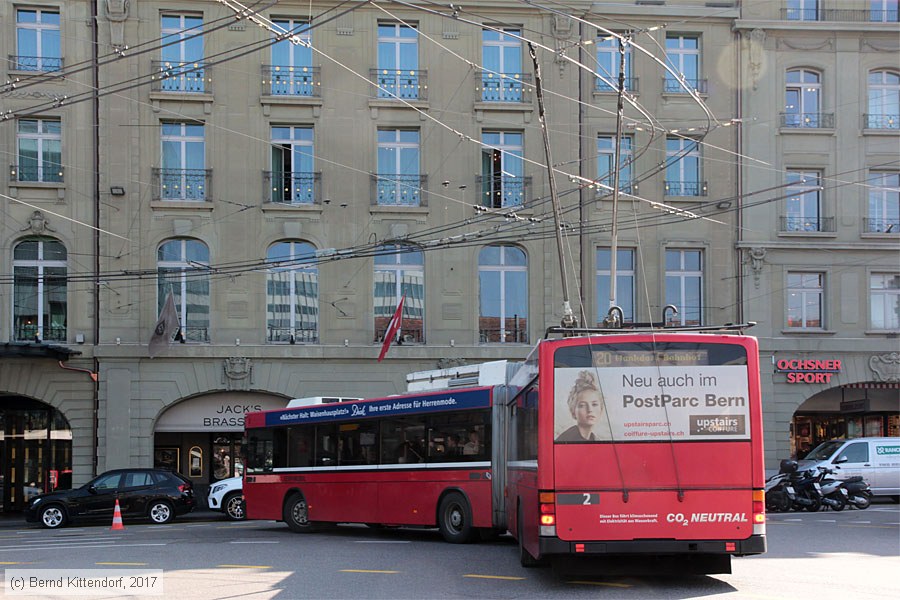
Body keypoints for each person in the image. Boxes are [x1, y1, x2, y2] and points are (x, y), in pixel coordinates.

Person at [556, 370, 605, 442]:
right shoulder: (566, 439)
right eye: (582, 405)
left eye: (594, 404)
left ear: (601, 409)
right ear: (573, 411)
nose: (590, 410)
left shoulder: (595, 439)